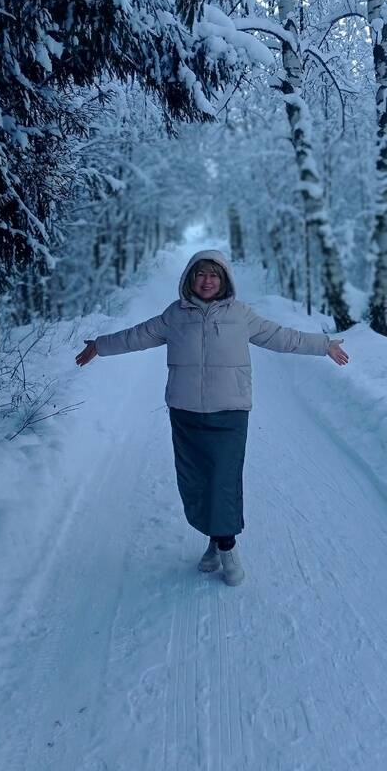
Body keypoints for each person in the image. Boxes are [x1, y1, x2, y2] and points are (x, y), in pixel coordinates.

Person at [75, 249, 349, 586]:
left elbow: (282, 336)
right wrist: (100, 345)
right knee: (196, 481)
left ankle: (228, 546)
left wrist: (323, 344)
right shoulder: (174, 315)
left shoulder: (241, 315)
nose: (207, 281)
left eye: (214, 275)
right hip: (185, 411)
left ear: (224, 280)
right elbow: (136, 335)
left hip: (230, 411)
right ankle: (214, 540)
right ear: (190, 278)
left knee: (223, 477)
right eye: (201, 274)